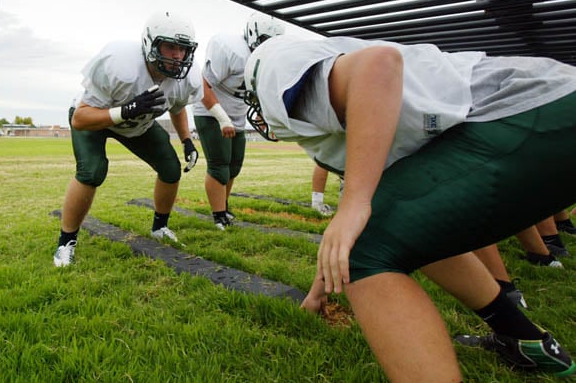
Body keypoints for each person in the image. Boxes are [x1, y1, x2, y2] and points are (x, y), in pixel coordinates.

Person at [243, 34, 576, 380]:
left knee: (367, 241)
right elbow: (390, 207)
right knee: (408, 224)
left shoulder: (273, 64)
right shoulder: (335, 80)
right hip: (543, 112)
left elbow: (378, 64)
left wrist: (354, 204)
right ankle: (525, 339)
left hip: (528, 110)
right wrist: (320, 286)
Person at [54, 11, 203, 267]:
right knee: (92, 171)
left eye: (183, 48)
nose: (178, 56)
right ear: (150, 44)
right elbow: (80, 119)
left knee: (170, 167)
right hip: (96, 117)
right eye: (170, 47)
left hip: (136, 124)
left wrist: (186, 140)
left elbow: (177, 107)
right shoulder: (120, 63)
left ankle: (160, 227)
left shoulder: (186, 78)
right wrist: (127, 109)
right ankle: (65, 242)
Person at [192, 12, 284, 230]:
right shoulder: (232, 50)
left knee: (234, 166)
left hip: (238, 113)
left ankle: (223, 206)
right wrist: (222, 118)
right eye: (265, 41)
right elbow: (202, 86)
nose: (269, 47)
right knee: (219, 165)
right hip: (211, 110)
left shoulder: (268, 61)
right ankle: (218, 215)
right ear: (252, 35)